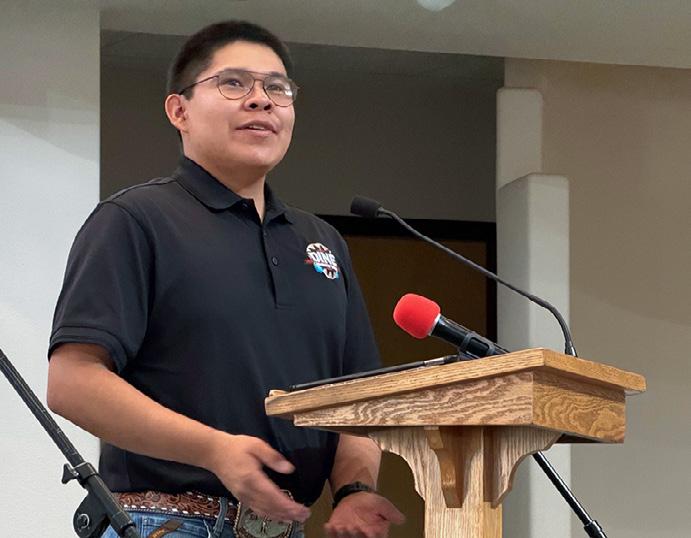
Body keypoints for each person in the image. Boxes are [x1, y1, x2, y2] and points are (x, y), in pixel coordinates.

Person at [47, 20, 404, 538]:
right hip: (163, 522)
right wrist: (214, 450)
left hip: (286, 528)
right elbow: (72, 382)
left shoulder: (322, 241)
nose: (261, 100)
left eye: (277, 88)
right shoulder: (135, 220)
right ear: (180, 111)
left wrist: (354, 490)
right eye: (234, 83)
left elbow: (357, 399)